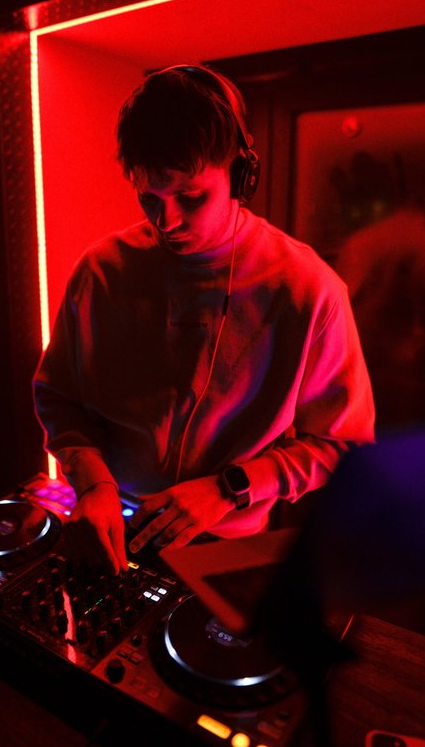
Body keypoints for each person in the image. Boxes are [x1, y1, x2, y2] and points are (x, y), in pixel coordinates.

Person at [33, 64, 375, 576]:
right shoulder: (100, 271)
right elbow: (59, 397)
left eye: (190, 197)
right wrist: (93, 482)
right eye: (148, 197)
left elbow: (342, 444)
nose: (166, 221)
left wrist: (230, 488)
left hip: (227, 547)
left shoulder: (309, 290)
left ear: (241, 174)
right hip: (110, 524)